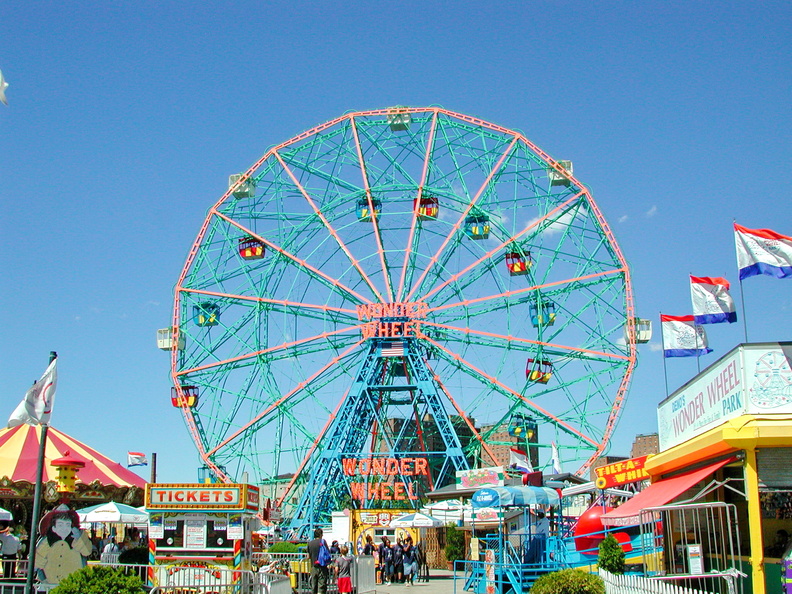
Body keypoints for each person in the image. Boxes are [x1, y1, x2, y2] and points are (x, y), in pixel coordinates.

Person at [35, 505, 92, 584]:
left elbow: (87, 551)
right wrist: (43, 579)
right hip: (51, 583)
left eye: (67, 525)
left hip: (72, 583)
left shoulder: (78, 538)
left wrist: (79, 538)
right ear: (53, 527)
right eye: (60, 525)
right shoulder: (47, 541)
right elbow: (38, 560)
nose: (64, 528)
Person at [307, 528, 330, 594]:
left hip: (314, 567)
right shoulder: (323, 542)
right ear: (321, 534)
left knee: (313, 586)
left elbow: (308, 556)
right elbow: (327, 553)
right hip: (322, 567)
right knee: (321, 586)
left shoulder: (310, 543)